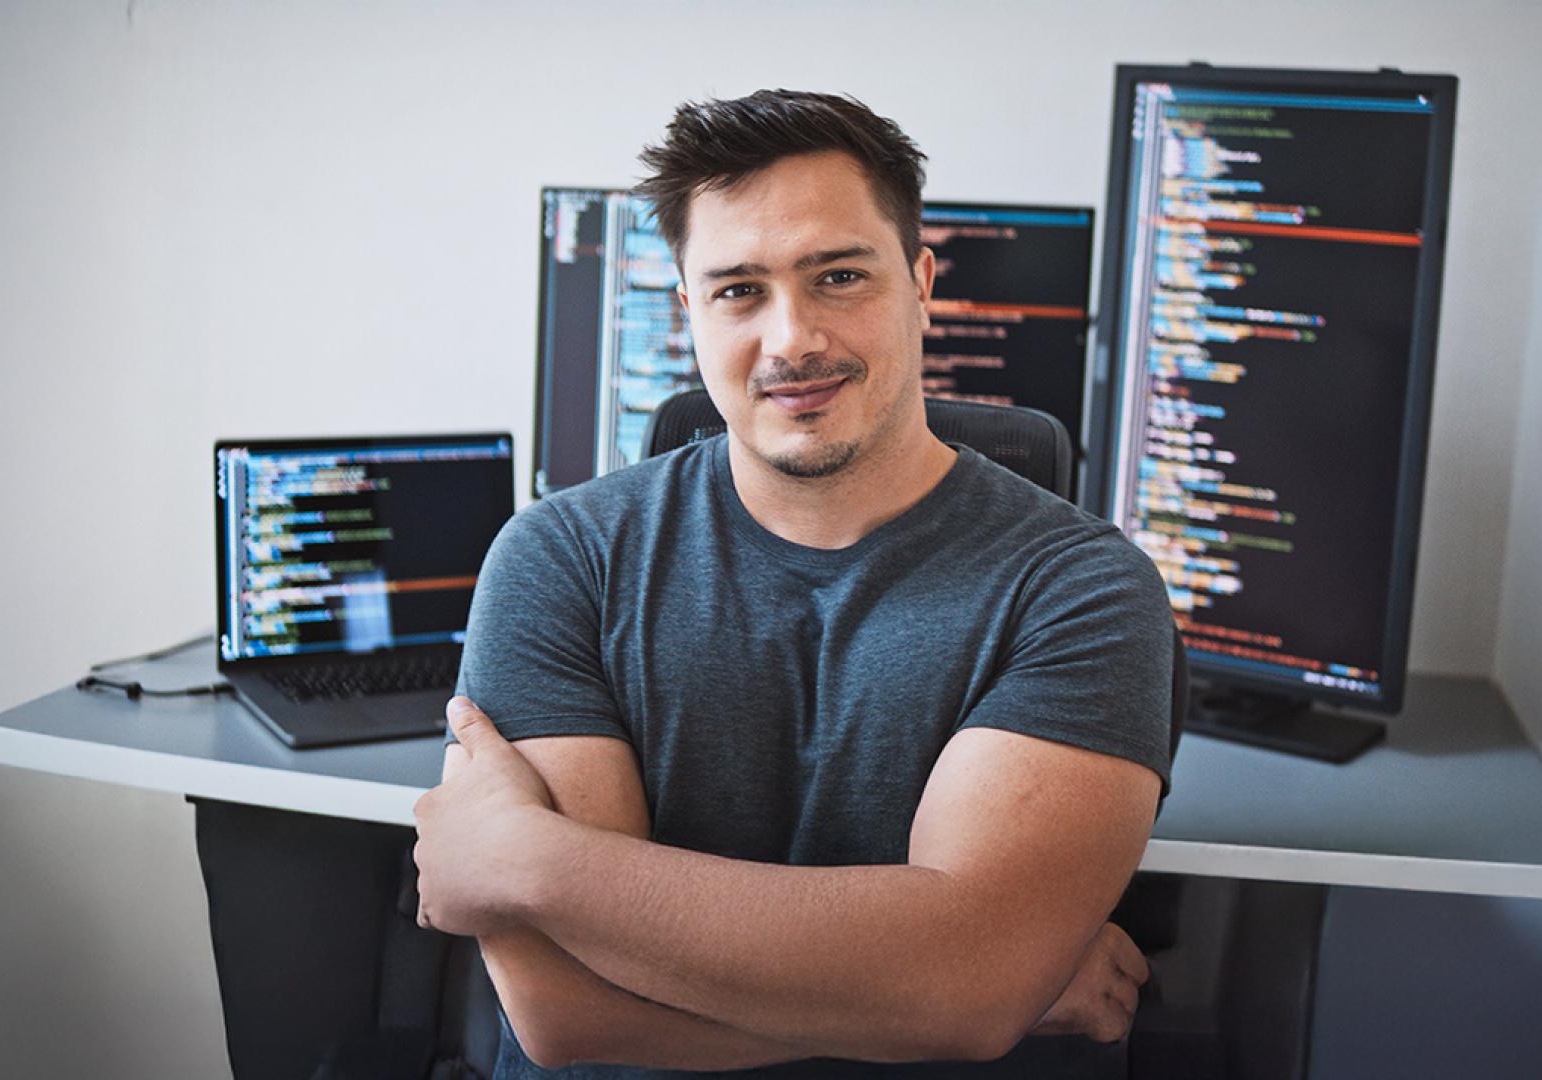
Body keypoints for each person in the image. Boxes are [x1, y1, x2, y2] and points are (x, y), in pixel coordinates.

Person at [414, 89, 1175, 1078]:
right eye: (738, 290)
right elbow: (566, 1016)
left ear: (920, 282)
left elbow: (966, 991)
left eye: (839, 276)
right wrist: (966, 1001)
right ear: (688, 311)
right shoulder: (561, 557)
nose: (790, 340)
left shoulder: (1081, 590)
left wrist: (524, 862)